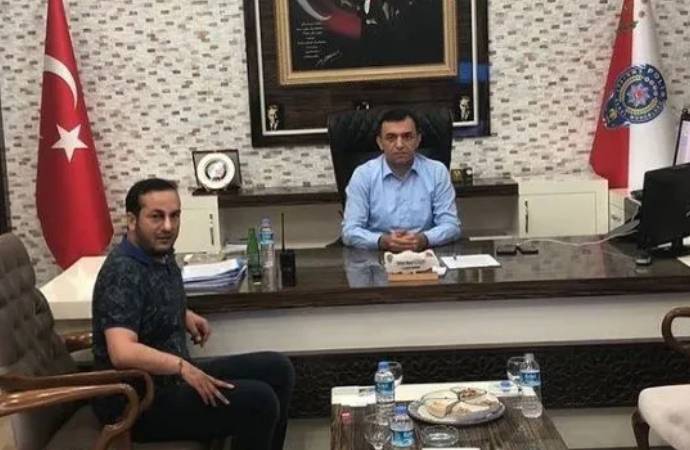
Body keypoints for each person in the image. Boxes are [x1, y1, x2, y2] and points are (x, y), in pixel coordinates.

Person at [91, 178, 294, 450]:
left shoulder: (158, 254)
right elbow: (122, 351)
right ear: (131, 220)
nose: (168, 226)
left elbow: (147, 299)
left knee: (278, 368)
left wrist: (182, 313)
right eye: (156, 217)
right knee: (259, 402)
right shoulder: (122, 271)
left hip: (168, 381)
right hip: (139, 402)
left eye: (174, 216)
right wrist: (182, 367)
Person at [342, 108, 461, 251]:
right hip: (377, 256)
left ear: (418, 140)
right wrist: (382, 241)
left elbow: (451, 225)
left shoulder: (437, 172)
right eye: (391, 138)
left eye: (407, 137)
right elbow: (350, 231)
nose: (399, 145)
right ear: (380, 143)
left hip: (426, 254)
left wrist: (424, 239)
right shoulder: (363, 175)